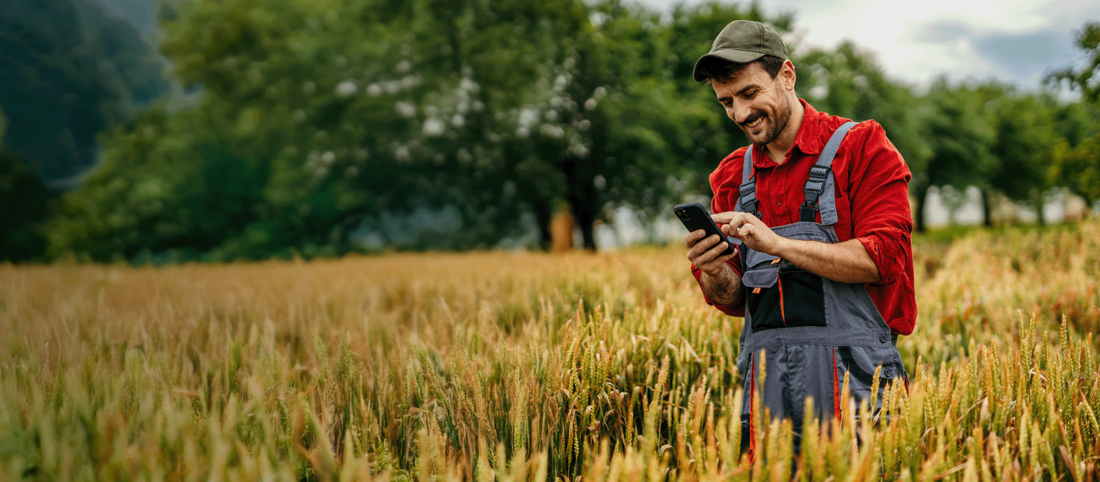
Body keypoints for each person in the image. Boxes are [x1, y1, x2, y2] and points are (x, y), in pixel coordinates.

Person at [683, 20, 916, 457]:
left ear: (787, 75)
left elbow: (884, 258)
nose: (739, 113)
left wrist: (778, 245)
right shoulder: (732, 176)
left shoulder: (862, 146)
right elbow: (734, 299)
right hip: (766, 389)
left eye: (750, 94)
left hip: (855, 385)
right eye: (726, 102)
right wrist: (715, 270)